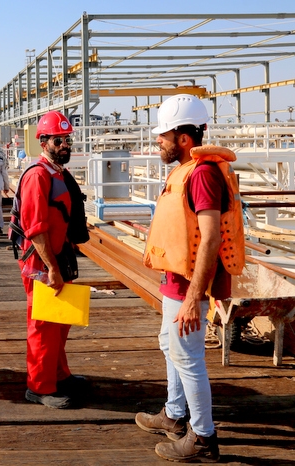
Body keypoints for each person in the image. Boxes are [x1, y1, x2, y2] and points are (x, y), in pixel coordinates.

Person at [137, 94, 244, 463]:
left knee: (189, 357)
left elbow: (211, 238)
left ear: (183, 138)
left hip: (188, 286)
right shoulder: (186, 169)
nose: (158, 140)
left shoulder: (202, 174)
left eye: (163, 135)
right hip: (176, 281)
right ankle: (174, 414)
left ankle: (203, 437)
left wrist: (194, 297)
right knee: (171, 346)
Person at [9, 110, 88, 409]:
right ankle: (39, 387)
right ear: (43, 142)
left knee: (60, 320)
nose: (65, 145)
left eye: (67, 140)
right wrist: (52, 268)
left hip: (58, 258)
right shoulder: (38, 176)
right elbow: (35, 229)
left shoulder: (58, 173)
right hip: (41, 264)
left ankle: (59, 375)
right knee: (43, 324)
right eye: (58, 140)